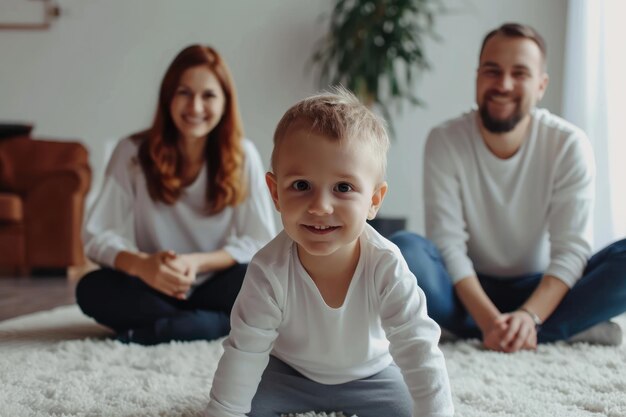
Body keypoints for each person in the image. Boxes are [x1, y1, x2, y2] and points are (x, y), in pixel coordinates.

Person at [203, 88, 453, 417]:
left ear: (374, 201)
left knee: (413, 407)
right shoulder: (268, 268)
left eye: (343, 188)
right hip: (286, 375)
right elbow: (244, 352)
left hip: (370, 377)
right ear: (276, 193)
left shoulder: (385, 264)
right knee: (241, 403)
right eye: (302, 185)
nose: (320, 207)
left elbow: (418, 346)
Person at [391, 23, 626, 352]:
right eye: (492, 71)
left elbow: (571, 251)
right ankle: (558, 329)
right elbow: (448, 245)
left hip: (540, 288)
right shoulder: (444, 140)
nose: (503, 84)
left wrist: (529, 315)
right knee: (403, 250)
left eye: (520, 73)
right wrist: (489, 319)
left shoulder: (568, 144)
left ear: (541, 85)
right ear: (477, 77)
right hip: (465, 290)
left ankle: (503, 330)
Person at [76, 45, 277, 345]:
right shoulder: (132, 153)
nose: (195, 107)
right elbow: (95, 235)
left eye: (208, 95)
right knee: (91, 288)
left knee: (261, 283)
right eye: (184, 93)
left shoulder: (243, 155)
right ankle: (210, 325)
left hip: (216, 283)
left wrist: (196, 263)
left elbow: (260, 241)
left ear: (225, 103)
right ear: (168, 97)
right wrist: (142, 265)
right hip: (152, 284)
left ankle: (165, 328)